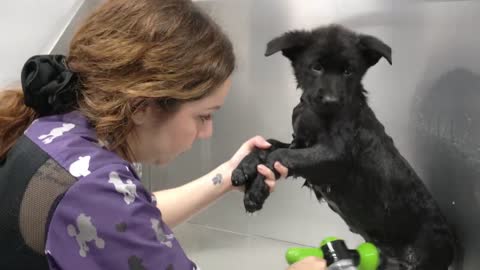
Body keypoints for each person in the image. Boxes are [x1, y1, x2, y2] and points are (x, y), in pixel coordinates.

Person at [0, 0, 327, 269]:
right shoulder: (96, 189)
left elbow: (130, 216)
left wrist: (226, 176)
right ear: (144, 106)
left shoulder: (59, 128)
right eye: (203, 116)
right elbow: (119, 213)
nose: (206, 132)